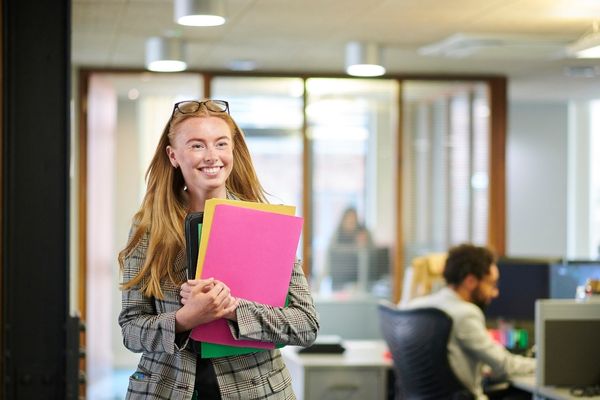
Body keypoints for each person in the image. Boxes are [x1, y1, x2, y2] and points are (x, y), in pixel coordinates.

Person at [118, 99, 319, 400]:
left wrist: (230, 309)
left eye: (221, 144)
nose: (212, 156)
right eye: (197, 146)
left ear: (232, 150)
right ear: (173, 156)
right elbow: (131, 330)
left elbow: (305, 325)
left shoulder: (266, 224)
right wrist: (186, 319)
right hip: (165, 390)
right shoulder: (149, 228)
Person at [405, 243, 535, 400]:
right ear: (471, 281)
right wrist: (545, 366)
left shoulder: (415, 306)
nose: (495, 292)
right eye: (491, 284)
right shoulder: (466, 313)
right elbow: (505, 366)